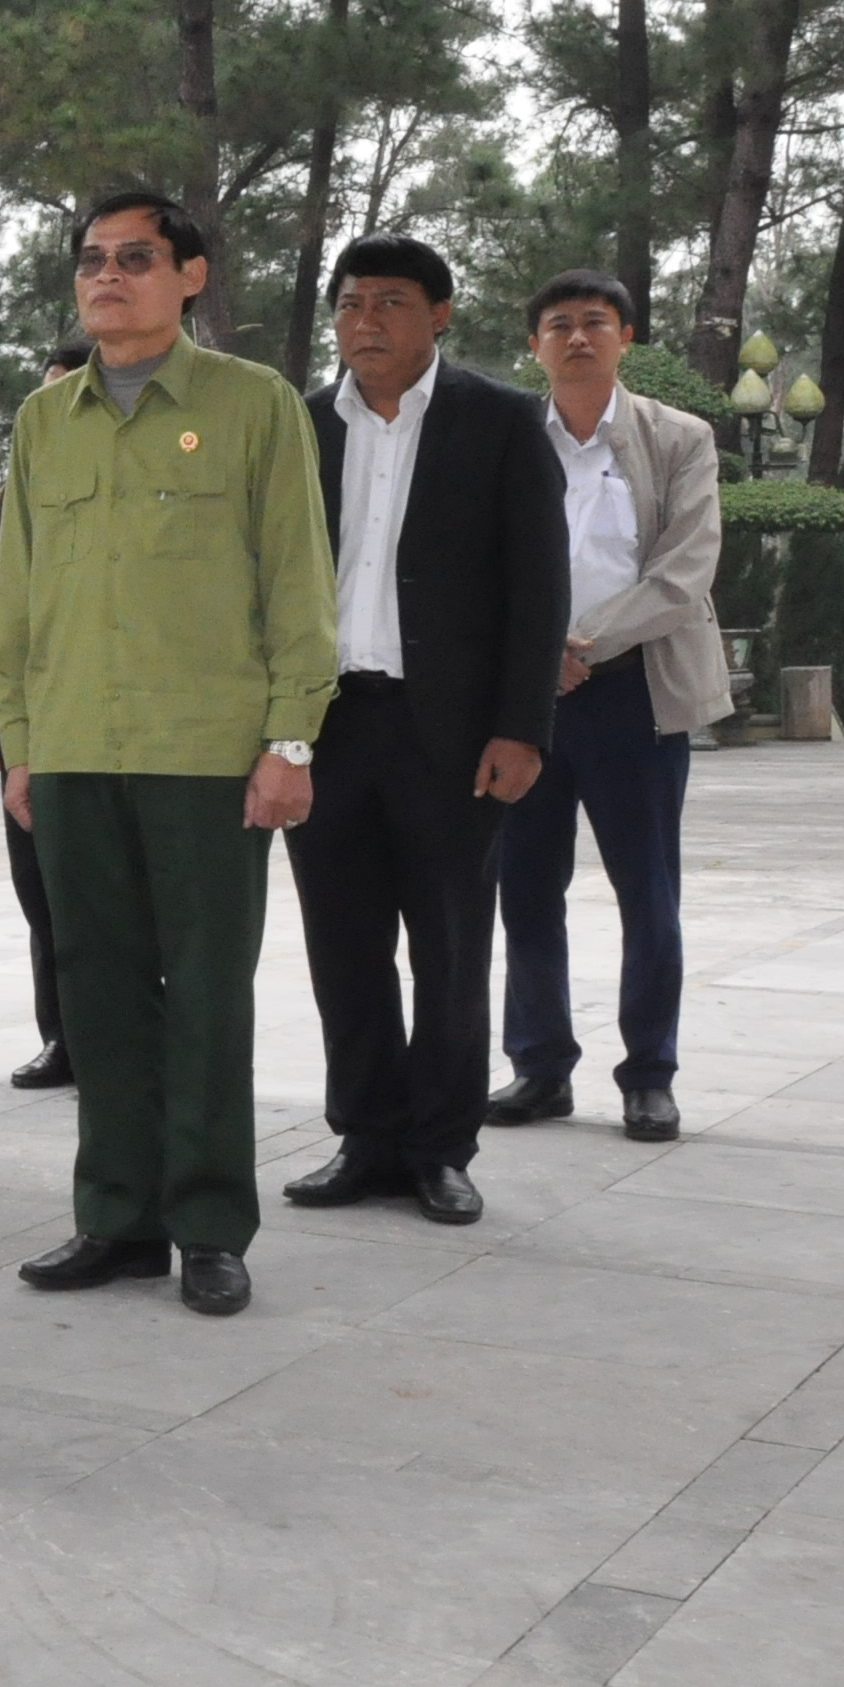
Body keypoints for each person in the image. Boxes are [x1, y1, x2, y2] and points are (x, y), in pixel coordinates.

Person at [0, 191, 337, 1318]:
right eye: (91, 260)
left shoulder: (251, 405)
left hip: (205, 754)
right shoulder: (44, 419)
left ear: (188, 275)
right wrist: (24, 743)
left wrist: (289, 737)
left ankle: (205, 1223)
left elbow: (295, 580)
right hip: (77, 748)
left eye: (134, 258)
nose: (106, 277)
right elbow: (17, 596)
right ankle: (115, 1215)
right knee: (93, 993)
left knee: (202, 994)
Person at [281, 236, 568, 1228]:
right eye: (350, 303)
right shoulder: (301, 423)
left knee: (447, 945)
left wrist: (521, 726)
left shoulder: (496, 420)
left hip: (447, 732)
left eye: (390, 302)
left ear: (439, 313)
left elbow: (537, 585)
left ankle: (439, 1147)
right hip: (325, 727)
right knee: (341, 943)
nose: (364, 321)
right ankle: (362, 1137)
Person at [489, 271, 731, 1144]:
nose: (578, 337)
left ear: (627, 336)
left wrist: (578, 645)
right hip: (526, 701)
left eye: (597, 323)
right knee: (524, 887)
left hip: (637, 695)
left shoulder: (680, 438)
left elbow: (683, 571)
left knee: (648, 889)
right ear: (535, 345)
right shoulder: (505, 436)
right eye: (559, 325)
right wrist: (533, 661)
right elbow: (478, 563)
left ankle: (650, 1076)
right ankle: (539, 1067)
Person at [0, 344, 91, 1092]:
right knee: (39, 889)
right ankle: (62, 1037)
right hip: (29, 720)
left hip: (115, 714)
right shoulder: (13, 493)